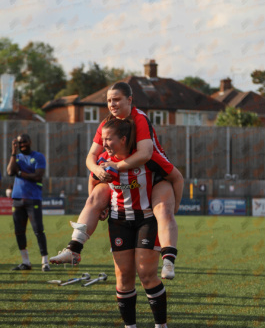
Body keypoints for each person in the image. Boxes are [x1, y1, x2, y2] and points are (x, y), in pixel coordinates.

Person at [50, 82, 182, 280]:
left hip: (154, 173)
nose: (112, 104)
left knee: (163, 211)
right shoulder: (107, 123)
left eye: (117, 99)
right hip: (123, 175)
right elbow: (91, 157)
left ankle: (168, 261)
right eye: (109, 100)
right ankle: (74, 249)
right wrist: (97, 170)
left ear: (129, 100)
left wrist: (114, 166)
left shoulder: (139, 119)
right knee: (95, 197)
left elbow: (146, 154)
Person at [97, 118, 182, 328]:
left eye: (108, 139)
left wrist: (174, 207)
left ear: (123, 139)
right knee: (123, 277)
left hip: (146, 220)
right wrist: (99, 205)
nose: (103, 143)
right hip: (118, 221)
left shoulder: (148, 156)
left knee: (146, 274)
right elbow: (93, 179)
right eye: (102, 139)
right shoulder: (103, 160)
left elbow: (176, 177)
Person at [7, 133, 50, 272]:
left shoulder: (38, 156)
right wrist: (13, 153)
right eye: (19, 143)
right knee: (19, 231)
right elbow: (9, 172)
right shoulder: (17, 157)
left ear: (30, 141)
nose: (22, 145)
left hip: (33, 199)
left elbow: (38, 176)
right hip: (18, 199)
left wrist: (20, 174)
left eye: (24, 142)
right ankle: (26, 262)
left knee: (38, 230)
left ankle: (45, 262)